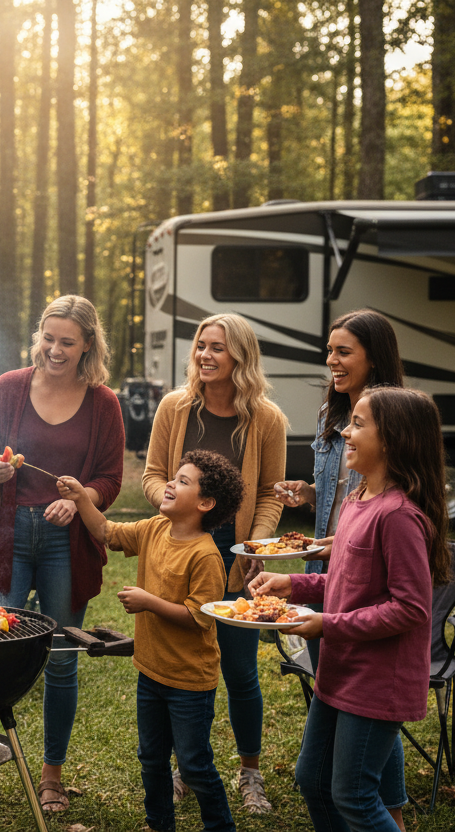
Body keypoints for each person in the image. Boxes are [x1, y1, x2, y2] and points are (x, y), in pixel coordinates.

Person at [250, 386, 452, 831]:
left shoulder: (398, 515)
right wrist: (293, 584)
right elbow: (346, 579)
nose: (345, 431)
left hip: (377, 679)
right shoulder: (357, 500)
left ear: (393, 440)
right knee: (314, 781)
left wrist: (325, 624)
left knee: (354, 795)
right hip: (340, 670)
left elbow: (411, 609)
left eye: (358, 424)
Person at [0, 295, 124, 814]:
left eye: (67, 342)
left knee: (60, 659)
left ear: (88, 345)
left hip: (65, 544)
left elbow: (110, 480)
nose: (54, 350)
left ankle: (51, 774)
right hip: (6, 532)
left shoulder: (103, 403)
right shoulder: (9, 387)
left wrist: (78, 501)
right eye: (48, 338)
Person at [141, 313, 286, 814]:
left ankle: (250, 772)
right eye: (201, 345)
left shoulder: (267, 419)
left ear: (240, 357)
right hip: (182, 548)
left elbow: (270, 494)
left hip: (239, 554)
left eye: (217, 348)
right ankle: (188, 764)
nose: (205, 355)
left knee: (240, 669)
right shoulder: (174, 408)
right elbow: (155, 474)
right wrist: (175, 505)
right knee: (184, 666)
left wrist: (252, 547)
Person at [58, 449, 243, 832]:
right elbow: (107, 533)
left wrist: (150, 603)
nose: (170, 485)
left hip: (190, 681)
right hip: (151, 671)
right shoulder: (155, 529)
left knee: (194, 765)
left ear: (205, 503)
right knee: (152, 758)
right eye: (173, 478)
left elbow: (199, 617)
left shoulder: (206, 556)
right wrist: (80, 499)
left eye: (183, 482)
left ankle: (220, 826)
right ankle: (159, 824)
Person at [273, 308, 409, 828]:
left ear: (374, 356)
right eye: (329, 350)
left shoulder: (397, 425)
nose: (331, 360)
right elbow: (339, 494)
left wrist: (345, 542)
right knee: (339, 702)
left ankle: (387, 811)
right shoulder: (331, 417)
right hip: (327, 567)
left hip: (363, 572)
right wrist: (308, 494)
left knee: (369, 713)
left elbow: (408, 600)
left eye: (343, 350)